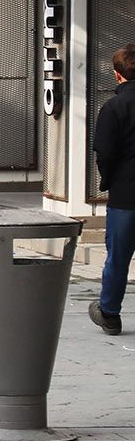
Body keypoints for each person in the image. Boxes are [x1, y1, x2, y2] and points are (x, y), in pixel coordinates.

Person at [92, 46, 135, 334]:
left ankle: (110, 313)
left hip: (125, 194)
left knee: (118, 257)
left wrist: (108, 179)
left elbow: (105, 154)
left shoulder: (114, 107)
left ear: (117, 74)